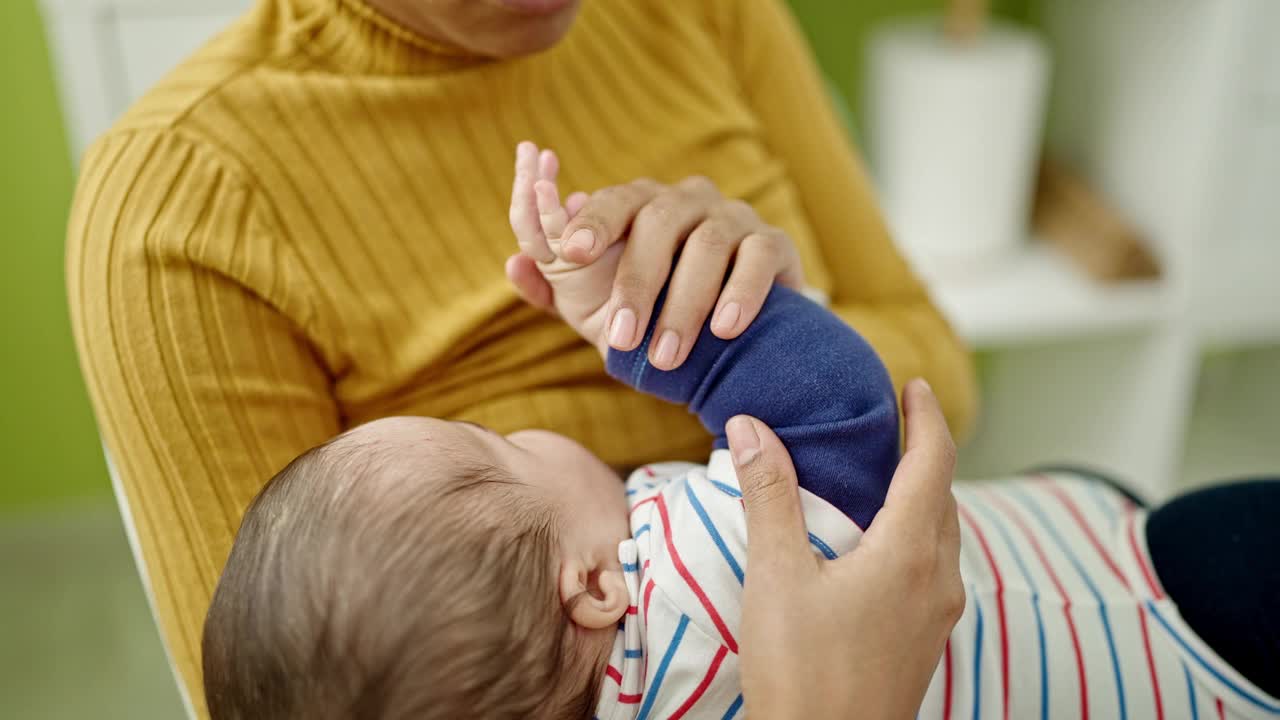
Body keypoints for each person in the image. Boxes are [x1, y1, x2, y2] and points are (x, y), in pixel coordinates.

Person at [65, 0, 978, 709]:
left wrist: (766, 298)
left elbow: (944, 375)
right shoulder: (177, 209)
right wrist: (730, 352)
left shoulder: (698, 12)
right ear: (588, 587)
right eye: (494, 439)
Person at [200, 164, 1280, 719]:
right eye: (489, 449)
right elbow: (842, 415)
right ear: (590, 590)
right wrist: (673, 341)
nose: (523, 426)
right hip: (1154, 624)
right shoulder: (694, 585)